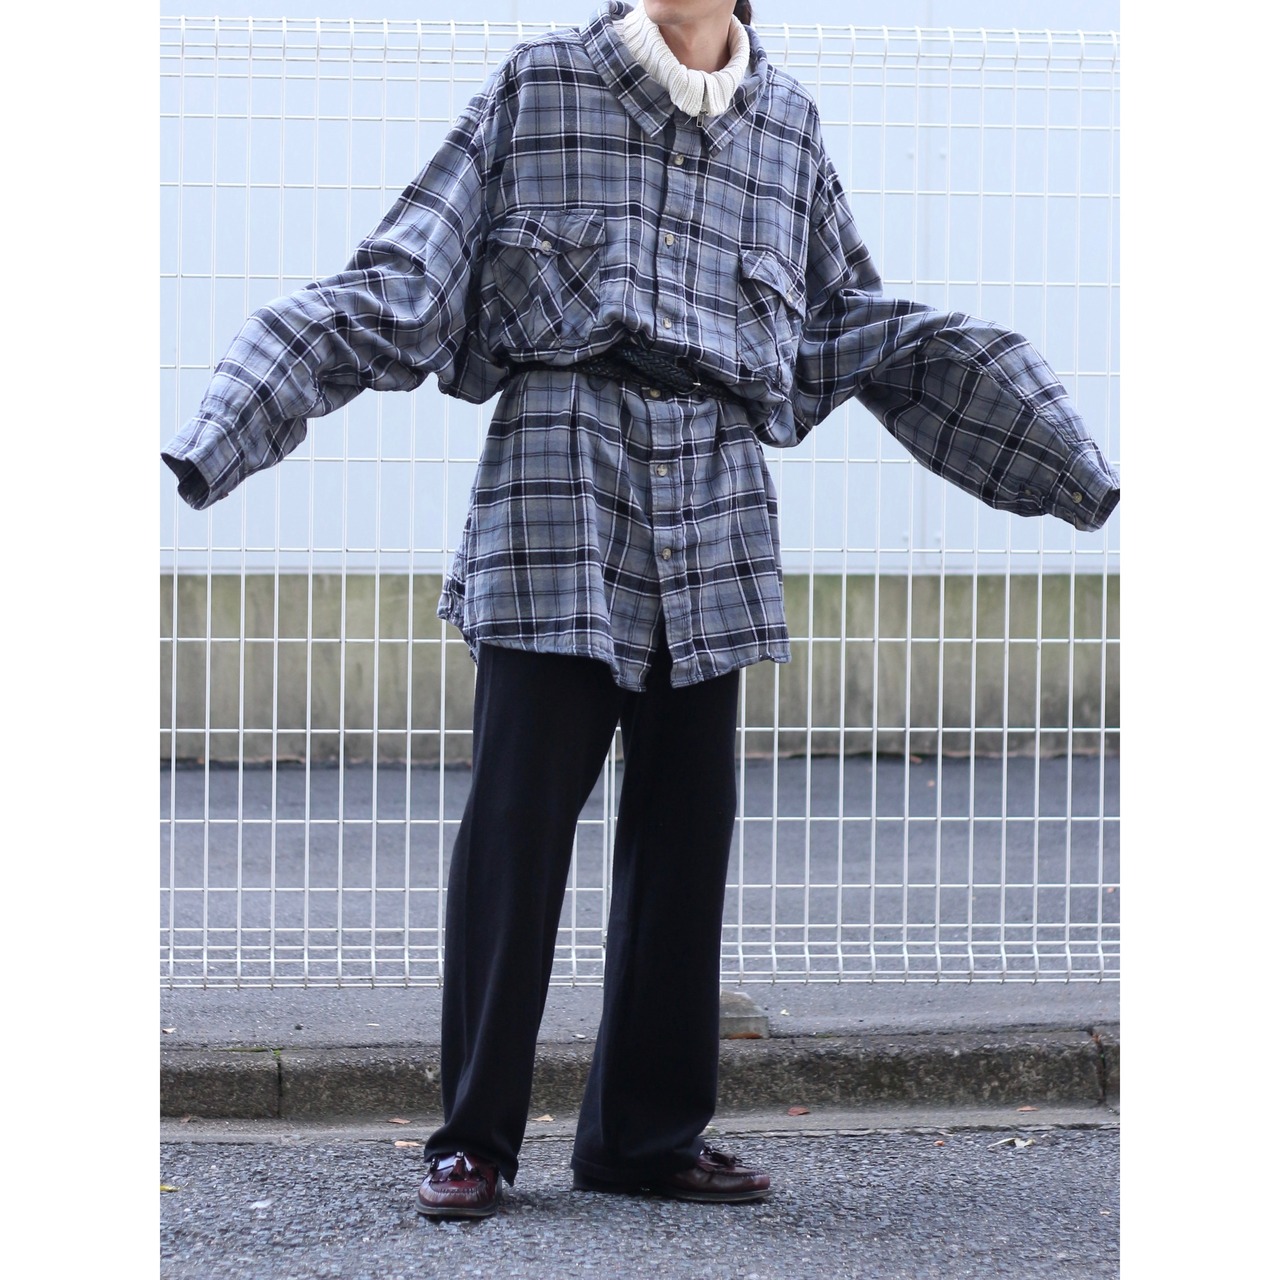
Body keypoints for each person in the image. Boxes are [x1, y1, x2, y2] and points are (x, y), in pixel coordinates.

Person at [161, 0, 1119, 1220]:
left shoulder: (786, 128)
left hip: (714, 498)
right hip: (557, 483)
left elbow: (846, 329)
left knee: (685, 834)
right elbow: (402, 282)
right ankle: (472, 1138)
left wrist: (1059, 460)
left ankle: (644, 1136)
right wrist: (228, 424)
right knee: (514, 828)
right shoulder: (541, 86)